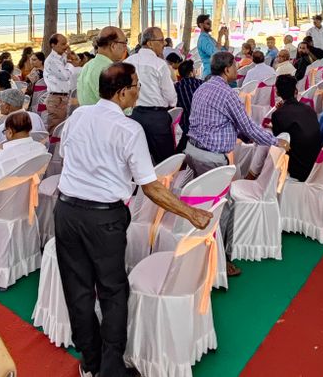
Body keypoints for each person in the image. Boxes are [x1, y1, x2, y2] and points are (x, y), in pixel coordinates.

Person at [55, 62, 212, 377]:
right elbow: (151, 187)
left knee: (78, 290)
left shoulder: (78, 116)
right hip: (103, 218)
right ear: (122, 91)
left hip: (67, 212)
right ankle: (111, 369)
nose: (139, 90)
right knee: (113, 291)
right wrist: (191, 212)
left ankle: (91, 361)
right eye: (136, 85)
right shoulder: (129, 129)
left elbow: (65, 158)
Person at [186, 50, 289, 277]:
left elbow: (225, 124)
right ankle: (220, 262)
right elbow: (249, 127)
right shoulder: (227, 93)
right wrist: (275, 141)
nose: (237, 69)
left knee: (202, 205)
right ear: (227, 69)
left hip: (192, 152)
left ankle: (200, 251)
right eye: (234, 66)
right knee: (224, 207)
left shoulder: (203, 87)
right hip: (210, 158)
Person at [125, 27, 178, 164]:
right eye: (161, 40)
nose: (164, 44)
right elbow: (171, 97)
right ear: (149, 43)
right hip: (156, 118)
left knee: (137, 159)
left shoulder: (128, 62)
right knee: (165, 160)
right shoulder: (159, 64)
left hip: (133, 115)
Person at [270, 74, 322, 182]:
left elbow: (279, 145)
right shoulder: (309, 109)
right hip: (315, 165)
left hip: (297, 169)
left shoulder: (278, 115)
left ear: (277, 92)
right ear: (296, 91)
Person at [76, 26, 127, 106]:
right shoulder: (109, 71)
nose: (125, 48)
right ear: (113, 46)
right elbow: (118, 106)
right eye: (124, 43)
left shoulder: (87, 66)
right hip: (108, 117)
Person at [43, 33, 73, 133]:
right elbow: (65, 76)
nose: (66, 46)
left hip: (63, 97)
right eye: (63, 44)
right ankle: (53, 149)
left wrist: (69, 56)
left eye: (66, 44)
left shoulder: (61, 57)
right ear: (53, 45)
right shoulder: (52, 60)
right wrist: (70, 64)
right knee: (56, 130)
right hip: (57, 99)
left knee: (64, 129)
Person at [174, 58, 203, 147]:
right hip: (203, 123)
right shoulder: (201, 84)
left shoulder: (176, 87)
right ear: (191, 73)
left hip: (186, 126)